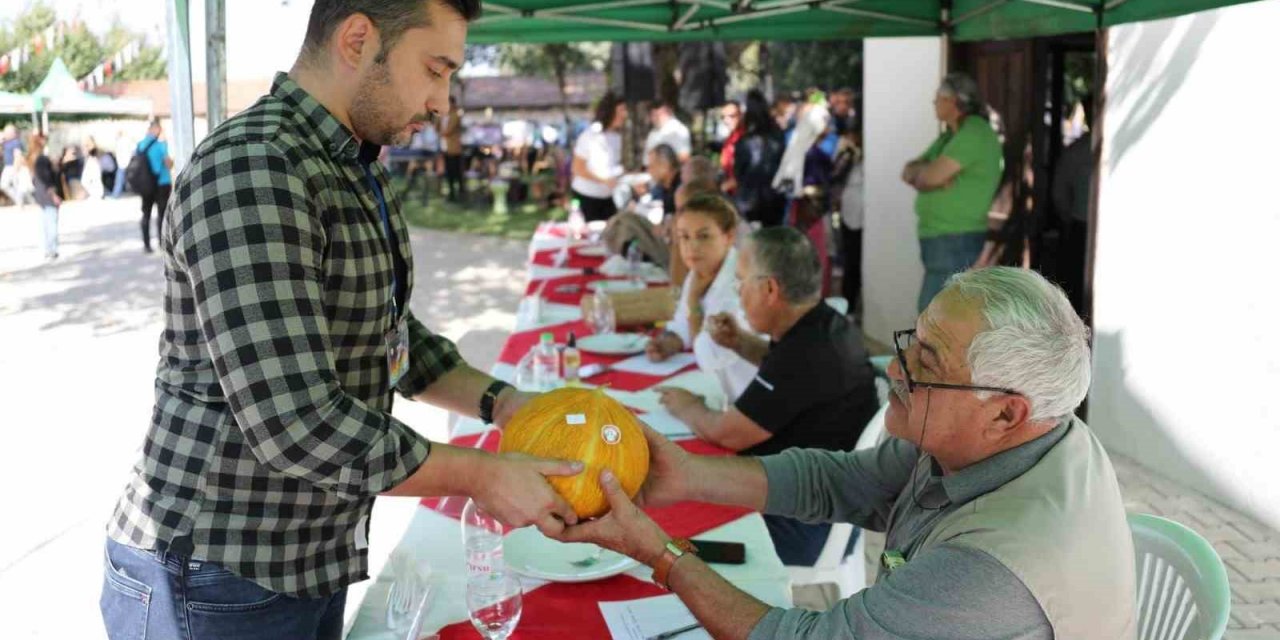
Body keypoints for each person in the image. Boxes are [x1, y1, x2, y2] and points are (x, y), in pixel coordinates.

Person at [100, 2, 587, 638]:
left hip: (302, 558)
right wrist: (479, 474)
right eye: (434, 70)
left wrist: (505, 404)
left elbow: (390, 334)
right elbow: (294, 422)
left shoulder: (349, 162)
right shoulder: (256, 167)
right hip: (213, 572)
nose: (442, 102)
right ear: (357, 39)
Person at [554, 266, 1137, 639]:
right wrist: (688, 476)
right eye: (913, 341)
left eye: (927, 362)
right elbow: (840, 483)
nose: (897, 367)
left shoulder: (993, 568)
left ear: (1006, 412)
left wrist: (660, 553)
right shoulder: (997, 437)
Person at [656, 226, 879, 565]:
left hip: (804, 522)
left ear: (770, 289)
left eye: (741, 282)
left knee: (665, 509)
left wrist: (687, 406)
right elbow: (791, 378)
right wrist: (741, 343)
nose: (739, 292)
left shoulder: (806, 353)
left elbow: (725, 433)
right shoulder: (824, 323)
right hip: (821, 499)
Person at [901, 72, 1003, 312]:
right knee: (935, 313)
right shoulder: (949, 136)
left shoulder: (974, 133)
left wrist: (929, 176)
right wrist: (927, 176)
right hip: (943, 236)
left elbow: (929, 176)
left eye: (938, 97)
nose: (934, 103)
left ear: (954, 101)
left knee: (933, 314)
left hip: (955, 237)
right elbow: (909, 171)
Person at [646, 194, 757, 402]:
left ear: (729, 236)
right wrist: (670, 342)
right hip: (715, 388)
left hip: (743, 399)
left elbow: (709, 355)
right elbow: (682, 323)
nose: (692, 247)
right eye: (684, 237)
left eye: (704, 236)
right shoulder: (701, 271)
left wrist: (694, 300)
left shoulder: (740, 282)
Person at [1052, 100, 1094, 316]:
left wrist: (1067, 218)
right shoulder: (1077, 151)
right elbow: (1059, 192)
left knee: (1077, 285)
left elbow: (1059, 193)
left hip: (1079, 224)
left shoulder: (1075, 151)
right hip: (1081, 225)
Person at [732, 89, 786, 228]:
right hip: (775, 201)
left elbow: (739, 172)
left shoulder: (744, 142)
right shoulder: (778, 137)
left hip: (749, 203)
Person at [571, 90, 626, 222]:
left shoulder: (617, 137)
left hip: (607, 196)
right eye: (621, 110)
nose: (624, 114)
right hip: (587, 196)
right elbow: (577, 168)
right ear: (610, 111)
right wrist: (603, 180)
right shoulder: (591, 135)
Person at [833, 121, 864, 317]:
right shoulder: (848, 156)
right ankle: (849, 308)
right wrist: (847, 154)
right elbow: (835, 175)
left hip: (864, 217)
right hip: (850, 216)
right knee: (851, 263)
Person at [135, 120, 174, 252]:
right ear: (157, 129)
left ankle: (146, 244)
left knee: (146, 214)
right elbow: (168, 164)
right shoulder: (161, 145)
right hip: (162, 183)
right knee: (162, 214)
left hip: (145, 184)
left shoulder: (140, 145)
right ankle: (162, 243)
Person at [28, 134, 60, 261]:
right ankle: (51, 249)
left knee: (44, 222)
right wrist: (54, 194)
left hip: (40, 193)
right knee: (51, 222)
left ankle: (47, 248)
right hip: (47, 193)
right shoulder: (41, 159)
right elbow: (46, 178)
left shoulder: (33, 158)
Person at [440, 95, 465, 202]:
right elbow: (437, 128)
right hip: (445, 148)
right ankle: (452, 194)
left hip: (455, 149)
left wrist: (440, 133)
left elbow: (447, 131)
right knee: (449, 172)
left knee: (457, 172)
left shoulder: (456, 115)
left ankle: (461, 193)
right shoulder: (443, 116)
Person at [718, 100, 744, 195]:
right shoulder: (729, 139)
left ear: (741, 115)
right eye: (723, 117)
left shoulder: (745, 139)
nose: (726, 120)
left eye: (731, 116)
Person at [1, 124, 28, 207]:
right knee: (5, 185)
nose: (4, 134)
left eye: (6, 132)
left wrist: (15, 169)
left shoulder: (16, 142)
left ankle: (19, 201)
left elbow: (17, 155)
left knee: (9, 184)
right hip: (8, 166)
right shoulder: (6, 142)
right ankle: (19, 200)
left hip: (12, 166)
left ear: (12, 133)